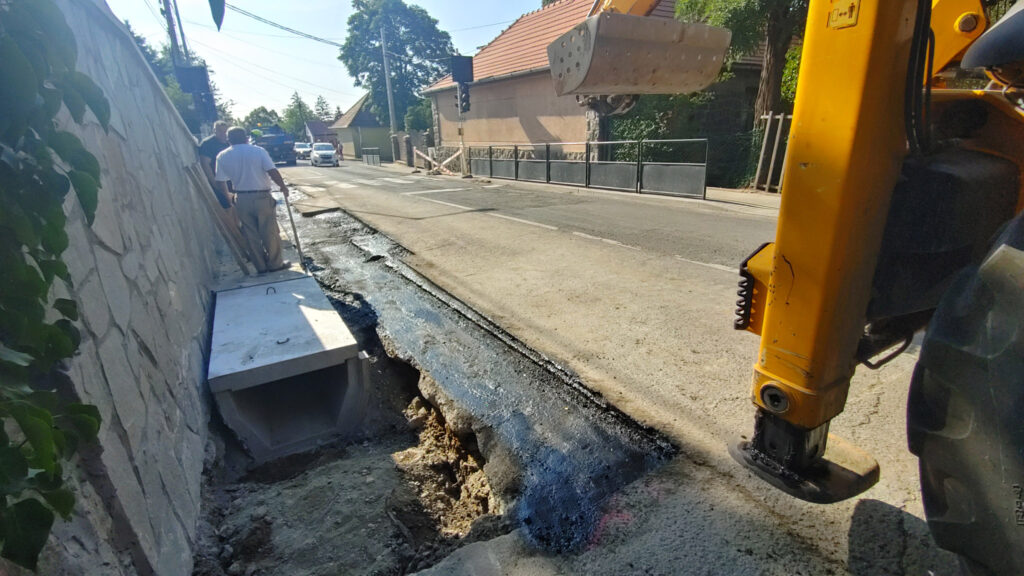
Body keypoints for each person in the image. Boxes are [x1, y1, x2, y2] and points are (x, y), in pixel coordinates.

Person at [215, 127, 291, 273]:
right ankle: (275, 264)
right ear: (245, 138)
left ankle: (260, 266)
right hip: (262, 196)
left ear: (229, 139)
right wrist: (283, 187)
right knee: (269, 231)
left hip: (241, 198)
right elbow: (272, 171)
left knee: (250, 234)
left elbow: (220, 181)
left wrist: (228, 196)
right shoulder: (258, 151)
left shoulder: (222, 156)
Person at [198, 121, 232, 208]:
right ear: (214, 131)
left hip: (233, 181)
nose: (223, 134)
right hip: (219, 181)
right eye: (220, 131)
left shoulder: (230, 142)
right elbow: (205, 164)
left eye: (225, 131)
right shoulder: (208, 144)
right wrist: (215, 184)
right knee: (227, 207)